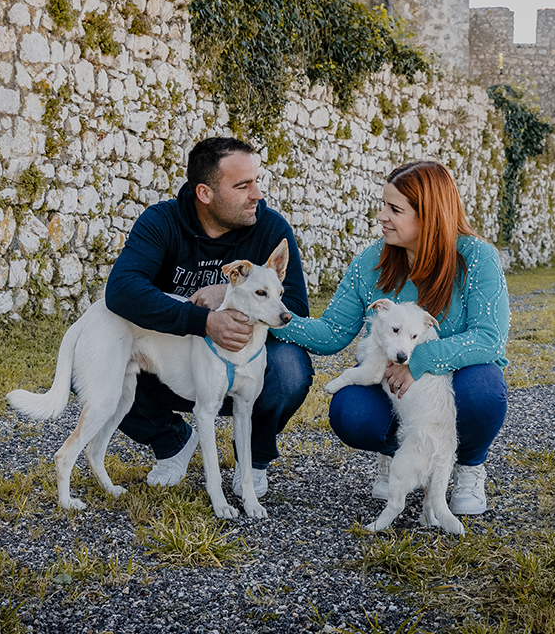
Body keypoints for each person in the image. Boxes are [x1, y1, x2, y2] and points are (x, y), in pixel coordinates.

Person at [272, 160, 509, 515]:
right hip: (389, 388)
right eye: (384, 204)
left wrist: (419, 362)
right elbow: (333, 333)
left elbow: (489, 338)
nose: (382, 216)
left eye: (394, 209)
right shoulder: (372, 261)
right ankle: (399, 456)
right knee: (350, 412)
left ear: (429, 216)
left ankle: (467, 466)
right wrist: (269, 318)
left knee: (484, 390)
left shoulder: (477, 258)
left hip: (453, 384)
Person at [104, 136, 313, 497]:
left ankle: (252, 460)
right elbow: (122, 289)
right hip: (173, 366)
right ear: (205, 193)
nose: (257, 195)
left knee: (291, 368)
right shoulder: (162, 222)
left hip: (242, 366)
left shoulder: (270, 229)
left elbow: (294, 305)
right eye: (243, 185)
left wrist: (225, 293)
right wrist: (203, 321)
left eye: (257, 181)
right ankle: (173, 443)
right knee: (97, 363)